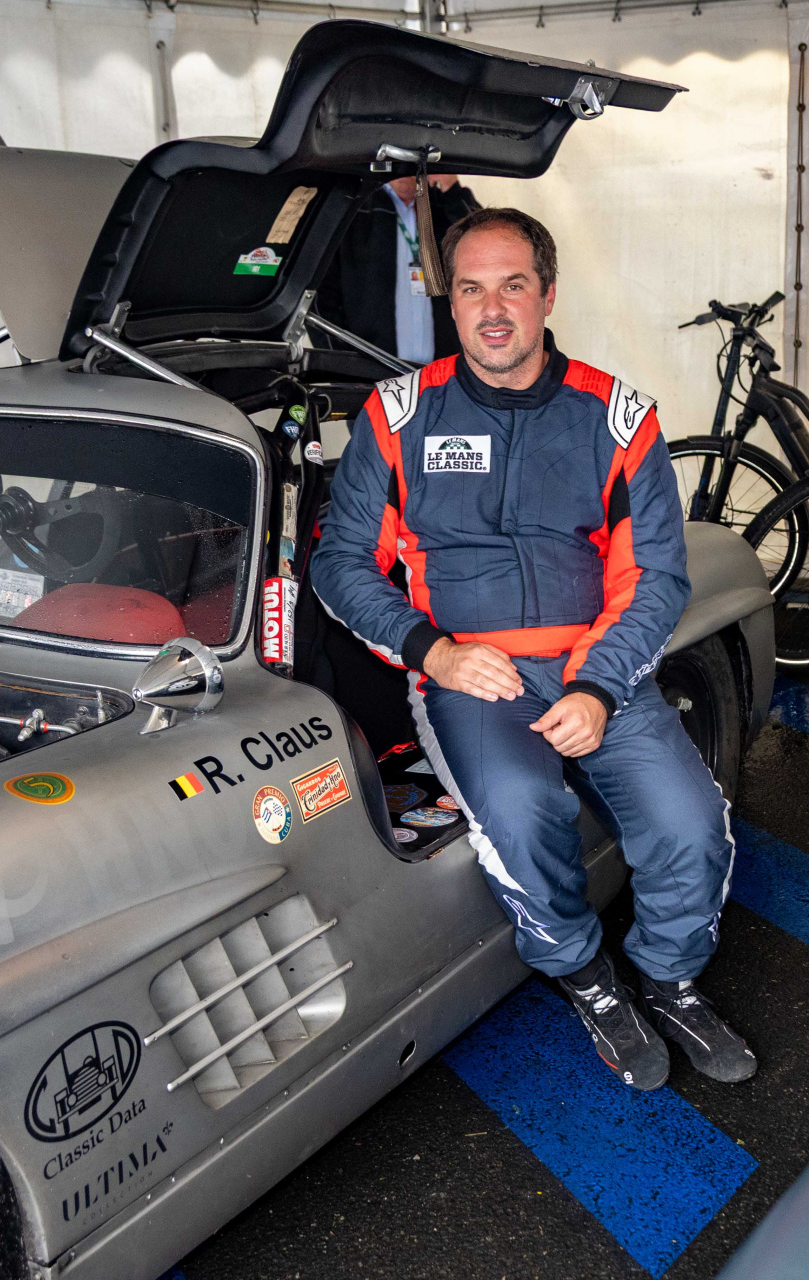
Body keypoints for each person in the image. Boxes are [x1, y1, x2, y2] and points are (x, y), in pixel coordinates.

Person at [311, 207, 756, 1091]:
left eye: (513, 285)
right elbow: (339, 562)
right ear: (450, 303)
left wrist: (598, 687)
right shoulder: (398, 415)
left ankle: (668, 977)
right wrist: (432, 652)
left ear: (548, 294)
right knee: (521, 816)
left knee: (691, 825)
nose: (492, 309)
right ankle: (585, 974)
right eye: (470, 289)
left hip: (599, 668)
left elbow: (655, 577)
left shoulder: (617, 416)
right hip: (472, 675)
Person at [316, 174, 479, 365]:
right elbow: (320, 297)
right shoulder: (355, 206)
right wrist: (345, 365)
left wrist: (453, 190)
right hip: (372, 373)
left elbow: (489, 252)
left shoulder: (444, 205)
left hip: (442, 373)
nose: (407, 169)